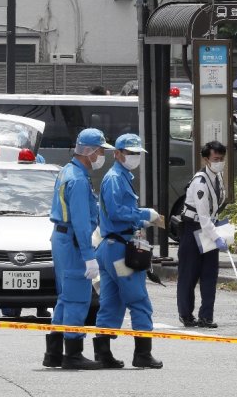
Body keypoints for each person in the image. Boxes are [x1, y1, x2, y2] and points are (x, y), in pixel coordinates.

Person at [42, 128, 113, 370]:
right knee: (77, 298)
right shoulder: (79, 181)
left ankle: (53, 353)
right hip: (73, 242)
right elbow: (82, 224)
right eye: (101, 151)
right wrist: (89, 257)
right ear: (90, 152)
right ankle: (72, 353)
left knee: (64, 296)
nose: (102, 156)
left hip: (62, 239)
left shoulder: (66, 171)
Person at [93, 133, 164, 369]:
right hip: (120, 253)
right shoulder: (115, 178)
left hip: (111, 247)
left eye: (137, 153)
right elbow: (116, 212)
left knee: (111, 301)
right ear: (118, 153)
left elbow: (119, 213)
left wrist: (140, 220)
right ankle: (142, 353)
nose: (134, 157)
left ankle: (103, 353)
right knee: (138, 299)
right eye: (130, 153)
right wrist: (145, 215)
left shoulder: (121, 177)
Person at [177, 141, 227, 328]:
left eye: (222, 159)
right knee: (189, 275)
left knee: (209, 274)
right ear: (206, 159)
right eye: (216, 159)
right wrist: (217, 238)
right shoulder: (200, 181)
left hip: (209, 229)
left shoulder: (217, 177)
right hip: (193, 229)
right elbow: (203, 217)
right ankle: (186, 315)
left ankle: (206, 316)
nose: (219, 162)